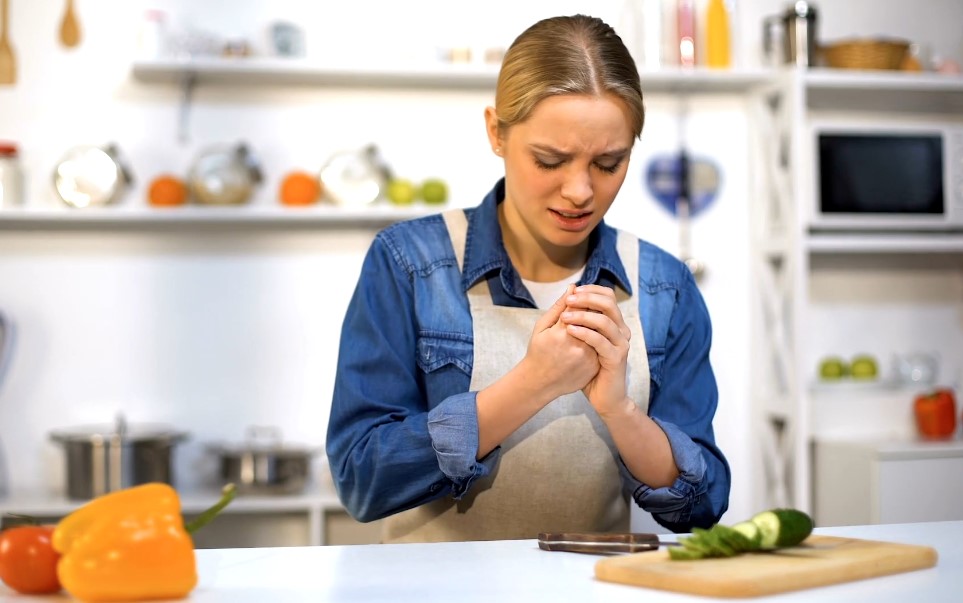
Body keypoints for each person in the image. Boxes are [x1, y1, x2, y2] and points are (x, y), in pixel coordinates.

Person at [326, 14, 730, 543]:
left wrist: (619, 409)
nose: (580, 191)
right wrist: (533, 383)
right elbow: (362, 480)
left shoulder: (663, 287)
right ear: (496, 132)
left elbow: (704, 503)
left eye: (609, 163)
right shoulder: (410, 264)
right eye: (550, 160)